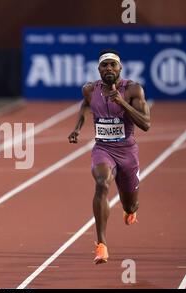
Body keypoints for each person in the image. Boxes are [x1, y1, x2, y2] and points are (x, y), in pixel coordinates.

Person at [68, 49, 151, 264]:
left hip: (128, 152)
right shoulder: (89, 89)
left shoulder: (133, 89)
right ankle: (101, 244)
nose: (109, 69)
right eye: (104, 65)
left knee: (130, 204)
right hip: (103, 149)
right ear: (99, 69)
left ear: (120, 68)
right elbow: (85, 105)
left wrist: (122, 103)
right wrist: (77, 128)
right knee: (102, 183)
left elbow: (146, 124)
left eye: (113, 65)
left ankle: (129, 210)